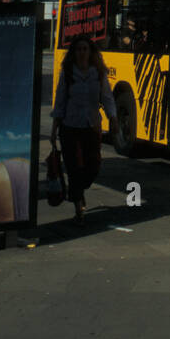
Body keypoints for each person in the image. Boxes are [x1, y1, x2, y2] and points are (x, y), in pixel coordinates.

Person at [51, 34, 118, 223]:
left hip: (91, 126)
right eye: (78, 49)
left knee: (93, 166)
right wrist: (54, 128)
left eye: (85, 49)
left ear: (90, 52)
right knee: (74, 167)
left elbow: (107, 98)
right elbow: (60, 100)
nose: (81, 53)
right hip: (70, 126)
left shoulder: (98, 72)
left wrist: (113, 118)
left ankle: (79, 191)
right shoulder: (68, 72)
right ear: (74, 52)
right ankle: (78, 204)